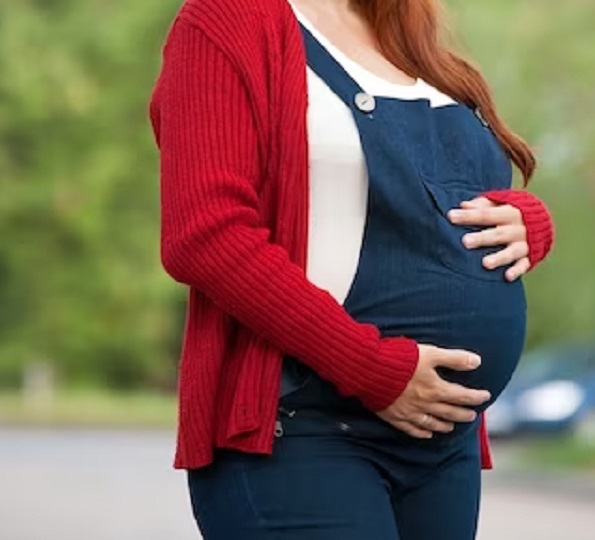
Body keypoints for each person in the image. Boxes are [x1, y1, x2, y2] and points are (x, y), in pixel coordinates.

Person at [149, 0, 554, 538]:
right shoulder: (226, 20)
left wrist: (526, 221)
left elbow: (438, 196)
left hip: (443, 446)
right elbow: (206, 235)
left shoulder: (405, 28)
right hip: (302, 432)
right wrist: (375, 372)